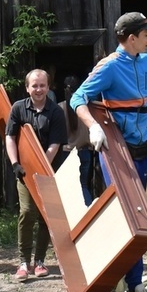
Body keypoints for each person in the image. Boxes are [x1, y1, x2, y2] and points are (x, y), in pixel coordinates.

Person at [70, 12, 147, 292]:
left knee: (134, 218)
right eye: (146, 34)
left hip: (142, 148)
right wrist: (93, 126)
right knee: (131, 217)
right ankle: (135, 288)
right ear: (131, 38)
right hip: (117, 150)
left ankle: (117, 282)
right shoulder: (110, 67)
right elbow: (78, 98)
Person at [4, 69, 66, 282]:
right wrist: (15, 164)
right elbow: (10, 137)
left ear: (48, 87)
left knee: (44, 216)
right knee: (27, 212)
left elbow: (55, 145)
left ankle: (39, 262)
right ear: (27, 87)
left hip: (48, 172)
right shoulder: (18, 108)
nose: (38, 89)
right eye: (34, 86)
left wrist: (42, 166)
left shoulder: (56, 112)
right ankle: (23, 262)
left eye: (42, 85)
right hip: (24, 172)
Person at [61, 75, 98, 207]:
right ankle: (87, 213)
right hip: (85, 151)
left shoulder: (59, 108)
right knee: (83, 185)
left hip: (67, 153)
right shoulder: (87, 109)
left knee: (67, 188)